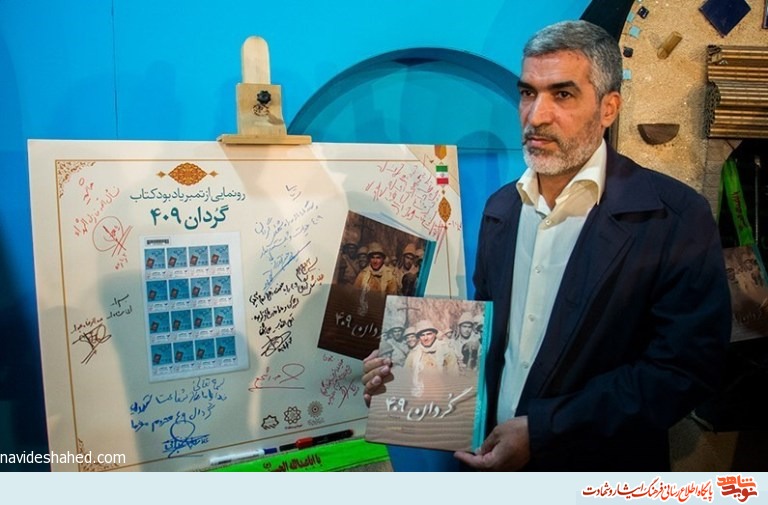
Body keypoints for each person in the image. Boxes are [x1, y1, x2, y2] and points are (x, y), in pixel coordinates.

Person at [363, 19, 731, 471]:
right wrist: (407, 376)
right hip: (489, 468)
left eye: (563, 94)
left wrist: (545, 431)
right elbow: (490, 345)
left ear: (609, 107)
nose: (536, 116)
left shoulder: (673, 216)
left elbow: (684, 371)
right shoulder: (502, 208)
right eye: (527, 93)